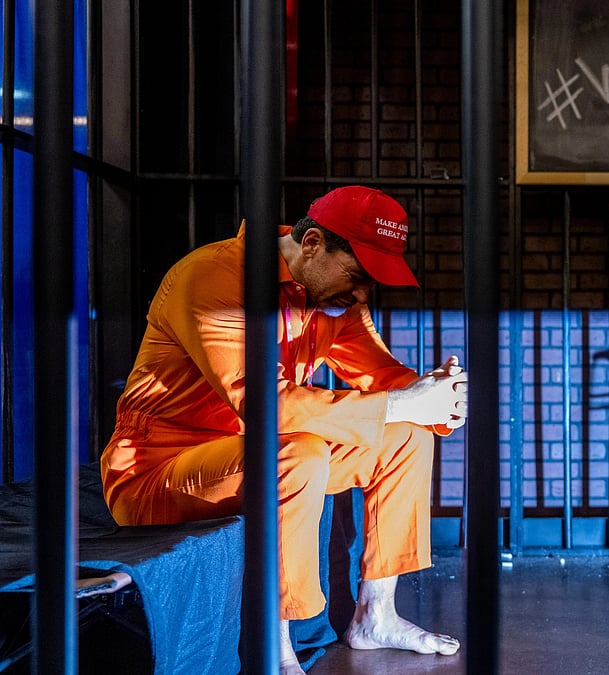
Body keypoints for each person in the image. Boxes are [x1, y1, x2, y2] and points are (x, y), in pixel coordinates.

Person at [99, 185, 467, 674]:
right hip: (155, 474)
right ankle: (275, 647)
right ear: (312, 243)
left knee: (406, 433)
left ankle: (375, 616)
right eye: (358, 275)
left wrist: (437, 399)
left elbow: (384, 379)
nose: (361, 294)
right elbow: (264, 404)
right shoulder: (213, 277)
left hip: (258, 455)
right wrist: (402, 401)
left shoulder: (332, 295)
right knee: (300, 452)